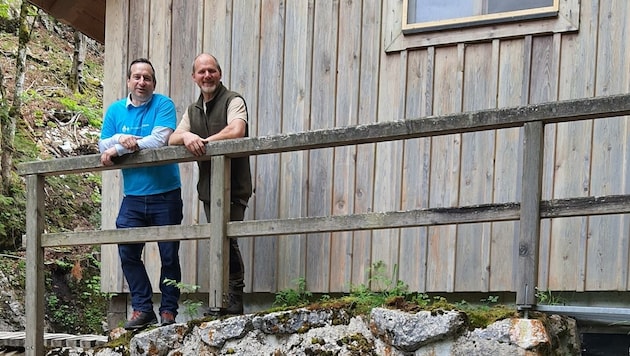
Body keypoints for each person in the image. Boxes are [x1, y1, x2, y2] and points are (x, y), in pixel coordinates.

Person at [99, 58, 183, 329]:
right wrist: (119, 139)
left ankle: (169, 310)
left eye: (146, 77)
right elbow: (102, 142)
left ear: (153, 83)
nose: (141, 82)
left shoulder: (164, 105)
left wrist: (120, 148)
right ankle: (142, 308)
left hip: (165, 193)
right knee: (127, 251)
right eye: (136, 77)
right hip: (133, 197)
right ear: (128, 81)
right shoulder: (115, 111)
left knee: (168, 254)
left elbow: (159, 138)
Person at [169, 53, 252, 315]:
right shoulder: (193, 110)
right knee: (216, 242)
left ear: (220, 73)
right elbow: (173, 137)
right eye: (202, 72)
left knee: (228, 241)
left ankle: (233, 299)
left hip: (234, 186)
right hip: (208, 189)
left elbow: (236, 130)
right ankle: (219, 300)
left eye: (212, 71)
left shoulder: (234, 100)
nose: (207, 76)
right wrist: (188, 137)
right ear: (194, 77)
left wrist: (203, 143)